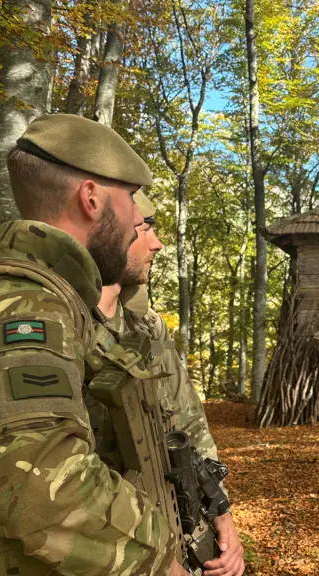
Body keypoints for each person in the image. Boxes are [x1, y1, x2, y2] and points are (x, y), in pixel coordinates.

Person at [0, 114, 189, 575]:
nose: (136, 224)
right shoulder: (26, 307)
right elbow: (50, 493)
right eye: (130, 200)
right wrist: (162, 551)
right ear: (91, 198)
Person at [95, 195, 245, 576]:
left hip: (179, 531)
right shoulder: (63, 327)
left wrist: (223, 514)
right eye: (144, 228)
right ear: (106, 232)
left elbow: (190, 425)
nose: (157, 243)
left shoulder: (148, 327)